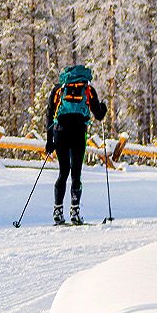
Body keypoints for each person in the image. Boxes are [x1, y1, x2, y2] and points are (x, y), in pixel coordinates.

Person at [44, 63, 109, 226]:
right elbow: (99, 115)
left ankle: (57, 212)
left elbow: (50, 114)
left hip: (60, 132)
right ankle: (75, 212)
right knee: (76, 173)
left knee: (63, 172)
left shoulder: (58, 89)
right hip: (79, 132)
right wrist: (103, 108)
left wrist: (49, 141)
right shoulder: (88, 90)